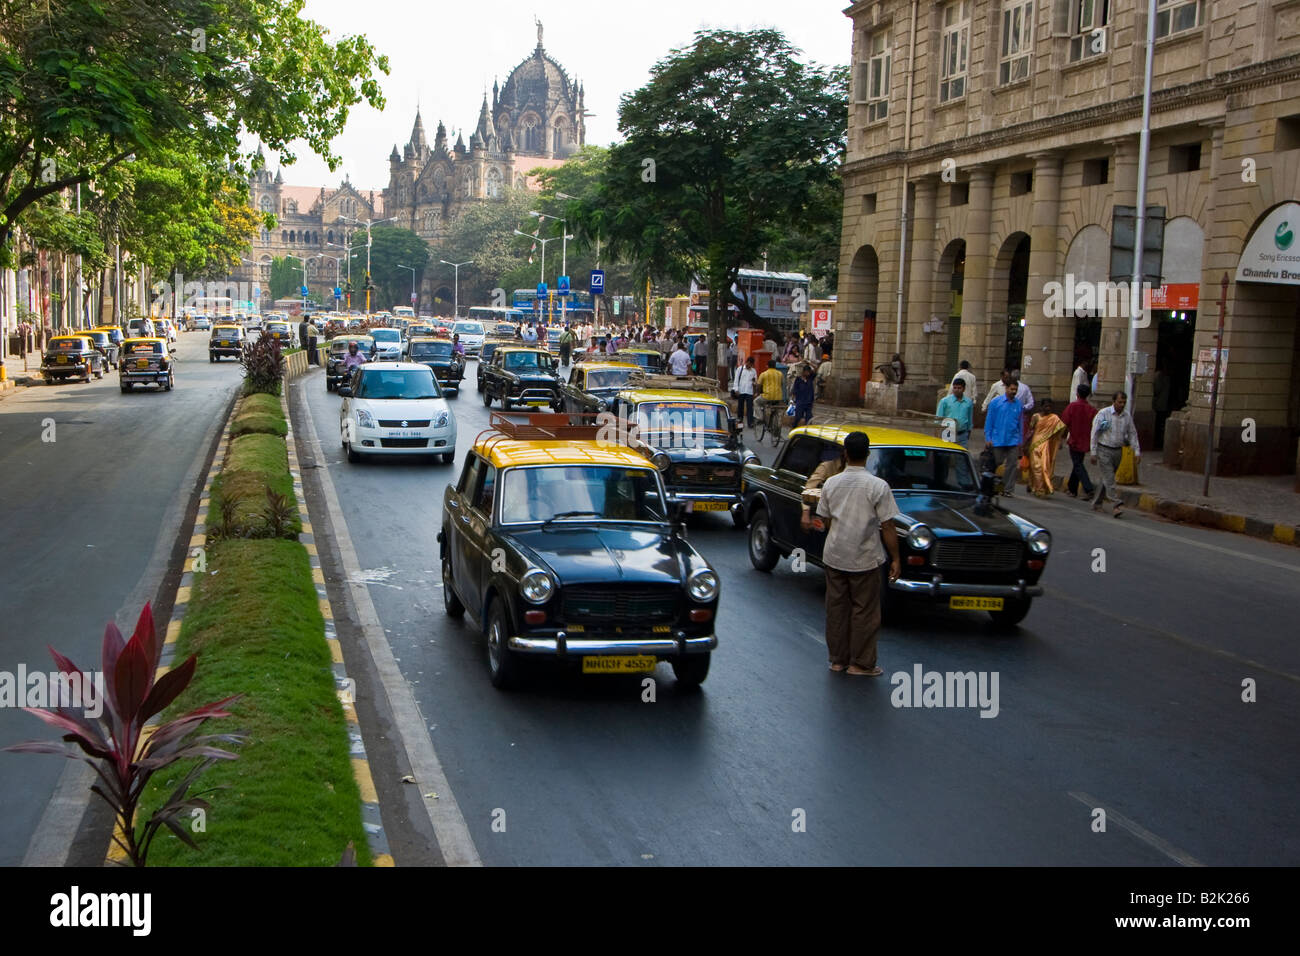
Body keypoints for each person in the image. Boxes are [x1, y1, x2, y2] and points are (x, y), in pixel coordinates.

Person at [815, 431, 901, 676]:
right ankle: (860, 663)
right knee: (864, 611)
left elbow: (826, 518)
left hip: (835, 555)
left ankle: (837, 660)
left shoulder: (831, 483)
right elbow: (888, 526)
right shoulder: (878, 486)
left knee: (836, 608)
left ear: (845, 454)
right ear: (868, 455)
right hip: (864, 557)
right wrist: (895, 558)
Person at [1090, 391, 1140, 517]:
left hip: (1118, 451)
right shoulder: (1103, 414)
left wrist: (1137, 451)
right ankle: (1116, 504)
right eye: (1119, 402)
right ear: (1114, 401)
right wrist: (1093, 451)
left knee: (1107, 478)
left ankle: (1097, 503)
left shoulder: (1127, 416)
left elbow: (1133, 433)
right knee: (1110, 478)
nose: (1122, 405)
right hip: (1104, 449)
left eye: (1124, 402)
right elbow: (1095, 433)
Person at [984, 380, 1024, 496]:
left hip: (1013, 440)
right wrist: (988, 437)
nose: (1013, 392)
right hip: (997, 440)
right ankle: (989, 485)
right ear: (1006, 389)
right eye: (1011, 389)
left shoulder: (1018, 404)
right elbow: (989, 421)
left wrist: (1020, 442)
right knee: (996, 462)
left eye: (1015, 390)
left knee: (1012, 465)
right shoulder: (996, 403)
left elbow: (1020, 424)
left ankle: (1007, 489)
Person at [1060, 383, 1098, 499]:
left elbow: (1063, 423)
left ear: (1077, 393)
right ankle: (1072, 489)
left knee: (1078, 464)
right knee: (1077, 463)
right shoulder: (1092, 410)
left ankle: (1088, 488)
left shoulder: (1072, 407)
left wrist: (1059, 439)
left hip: (1074, 440)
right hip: (1085, 441)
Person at [1025, 399, 1066, 497]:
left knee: (1045, 467)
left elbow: (1059, 430)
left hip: (1046, 446)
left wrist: (1058, 441)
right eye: (1046, 406)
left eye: (1050, 406)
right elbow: (1031, 430)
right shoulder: (1036, 417)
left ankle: (1042, 488)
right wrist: (1025, 444)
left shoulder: (1054, 418)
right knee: (1036, 467)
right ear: (1041, 407)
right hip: (1035, 445)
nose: (1048, 408)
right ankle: (1037, 488)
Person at [936, 378, 973, 447]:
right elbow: (938, 419)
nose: (956, 390)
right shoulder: (945, 401)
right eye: (955, 388)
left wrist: (968, 431)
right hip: (948, 433)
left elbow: (969, 418)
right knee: (947, 455)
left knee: (961, 455)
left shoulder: (968, 402)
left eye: (959, 388)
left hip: (962, 434)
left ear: (964, 389)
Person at [757, 360, 784, 428]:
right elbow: (782, 384)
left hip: (767, 396)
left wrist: (758, 393)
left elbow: (759, 385)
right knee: (777, 410)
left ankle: (760, 417)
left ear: (767, 366)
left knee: (755, 402)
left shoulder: (764, 374)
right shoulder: (780, 374)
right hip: (778, 397)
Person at [733, 355, 758, 428]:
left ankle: (750, 423)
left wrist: (754, 389)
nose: (749, 366)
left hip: (749, 391)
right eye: (749, 364)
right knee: (740, 408)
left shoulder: (753, 371)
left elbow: (755, 381)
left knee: (750, 408)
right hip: (741, 391)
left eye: (751, 365)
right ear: (747, 362)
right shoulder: (740, 369)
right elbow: (736, 380)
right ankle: (740, 423)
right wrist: (736, 389)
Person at [789, 362, 815, 429]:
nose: (808, 373)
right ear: (803, 372)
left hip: (809, 402)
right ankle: (793, 428)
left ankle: (806, 432)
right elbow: (794, 390)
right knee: (798, 417)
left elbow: (815, 370)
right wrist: (792, 400)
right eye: (806, 372)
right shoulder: (798, 380)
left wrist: (809, 363)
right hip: (800, 402)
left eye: (809, 372)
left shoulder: (810, 379)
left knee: (809, 418)